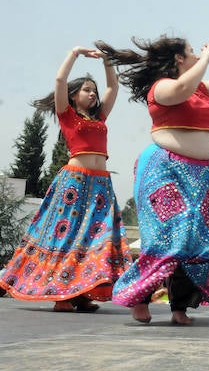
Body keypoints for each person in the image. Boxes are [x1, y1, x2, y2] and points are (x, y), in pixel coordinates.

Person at [98, 36, 209, 325]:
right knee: (172, 238)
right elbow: (182, 87)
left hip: (204, 174)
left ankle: (181, 306)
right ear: (179, 59)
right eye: (191, 52)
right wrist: (205, 61)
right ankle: (138, 297)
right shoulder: (163, 87)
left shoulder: (201, 89)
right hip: (166, 171)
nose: (196, 54)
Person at [0, 47, 130, 312]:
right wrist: (75, 53)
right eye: (86, 90)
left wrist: (107, 61)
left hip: (100, 185)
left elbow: (113, 87)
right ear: (73, 96)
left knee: (94, 239)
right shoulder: (67, 115)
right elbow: (59, 81)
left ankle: (80, 292)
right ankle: (61, 295)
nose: (92, 94)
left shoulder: (100, 116)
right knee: (68, 236)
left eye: (93, 90)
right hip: (74, 183)